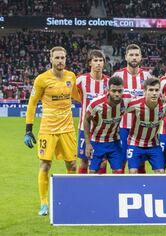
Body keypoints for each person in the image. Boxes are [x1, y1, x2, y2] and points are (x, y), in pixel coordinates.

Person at [24, 46, 80, 216]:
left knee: (71, 164)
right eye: (57, 58)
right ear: (51, 59)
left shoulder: (71, 76)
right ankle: (44, 203)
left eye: (63, 57)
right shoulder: (41, 79)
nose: (60, 60)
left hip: (68, 128)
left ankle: (70, 198)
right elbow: (32, 104)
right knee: (45, 164)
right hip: (48, 128)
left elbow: (78, 96)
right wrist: (28, 129)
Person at [112, 44, 152, 173]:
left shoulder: (147, 77)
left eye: (136, 55)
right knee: (121, 160)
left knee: (140, 161)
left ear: (141, 57)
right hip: (122, 126)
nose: (134, 58)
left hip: (142, 126)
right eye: (131, 55)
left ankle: (141, 188)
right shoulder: (118, 75)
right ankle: (120, 189)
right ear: (126, 57)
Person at [84, 76, 131, 174]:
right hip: (96, 142)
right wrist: (88, 144)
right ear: (108, 90)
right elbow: (86, 120)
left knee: (119, 171)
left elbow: (142, 102)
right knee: (93, 173)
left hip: (114, 142)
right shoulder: (96, 104)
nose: (117, 94)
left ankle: (116, 189)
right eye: (114, 91)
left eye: (120, 91)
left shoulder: (127, 100)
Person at [126, 78, 166, 174]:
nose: (154, 93)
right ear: (144, 91)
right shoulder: (135, 104)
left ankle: (158, 189)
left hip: (153, 144)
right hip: (135, 143)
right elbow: (119, 112)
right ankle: (135, 189)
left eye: (157, 90)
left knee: (161, 172)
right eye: (151, 90)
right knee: (133, 172)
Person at [76, 50, 109, 174]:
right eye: (95, 60)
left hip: (103, 129)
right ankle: (81, 187)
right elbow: (73, 94)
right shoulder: (81, 80)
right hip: (84, 128)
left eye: (101, 60)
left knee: (103, 160)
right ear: (90, 63)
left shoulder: (109, 82)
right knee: (84, 161)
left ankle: (100, 189)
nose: (98, 63)